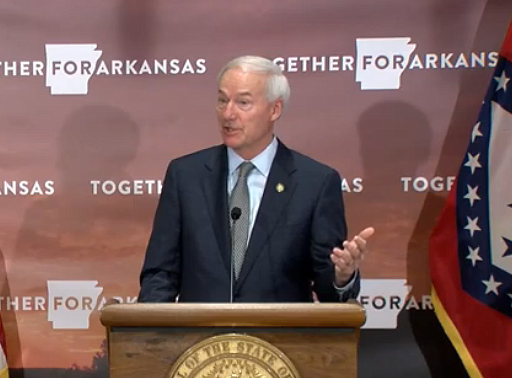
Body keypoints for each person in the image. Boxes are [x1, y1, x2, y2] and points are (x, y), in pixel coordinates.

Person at [139, 55, 373, 304]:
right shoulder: (186, 176)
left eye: (243, 102)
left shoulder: (315, 183)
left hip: (279, 340)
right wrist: (153, 335)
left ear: (275, 109)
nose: (228, 113)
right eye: (222, 100)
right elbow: (160, 274)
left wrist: (341, 277)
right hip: (201, 340)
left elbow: (328, 289)